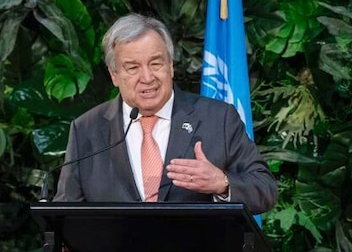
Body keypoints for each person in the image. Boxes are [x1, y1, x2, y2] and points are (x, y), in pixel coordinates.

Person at [54, 13, 278, 215]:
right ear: (114, 74)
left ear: (170, 66)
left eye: (156, 63)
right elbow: (65, 211)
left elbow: (265, 189)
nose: (147, 77)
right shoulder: (87, 129)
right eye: (132, 67)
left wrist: (222, 183)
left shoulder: (218, 119)